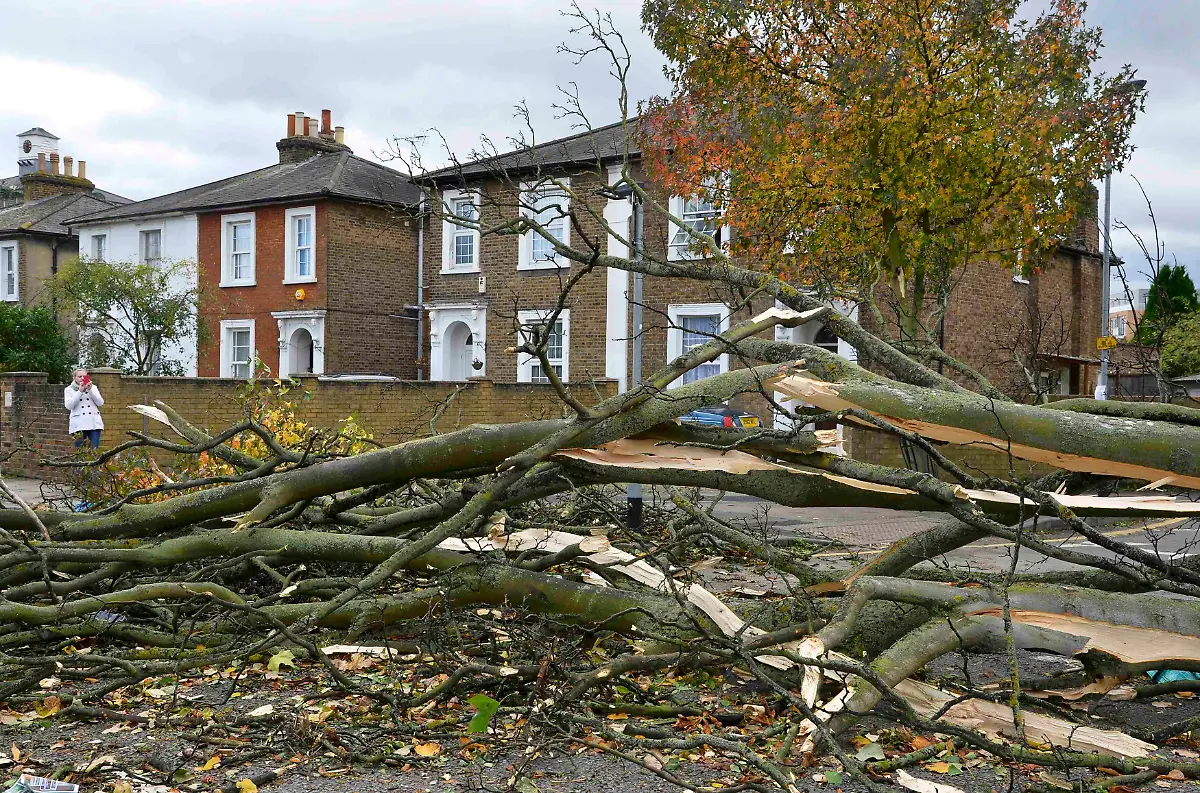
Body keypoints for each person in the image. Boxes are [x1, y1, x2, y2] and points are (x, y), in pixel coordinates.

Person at [64, 368, 104, 449]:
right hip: (78, 424)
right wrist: (80, 391)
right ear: (74, 378)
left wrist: (90, 390)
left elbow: (100, 403)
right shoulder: (69, 389)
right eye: (79, 376)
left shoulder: (93, 388)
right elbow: (69, 406)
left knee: (94, 449)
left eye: (84, 376)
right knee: (80, 450)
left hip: (93, 422)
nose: (82, 378)